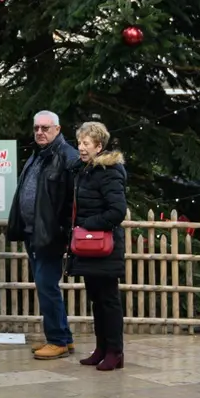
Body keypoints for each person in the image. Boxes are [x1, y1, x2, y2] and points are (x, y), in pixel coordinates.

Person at [6, 110, 79, 360]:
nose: (40, 132)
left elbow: (73, 199)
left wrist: (63, 229)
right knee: (46, 286)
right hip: (33, 232)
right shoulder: (37, 156)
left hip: (51, 235)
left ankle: (57, 340)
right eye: (37, 128)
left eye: (45, 128)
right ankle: (64, 338)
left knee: (47, 286)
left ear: (57, 129)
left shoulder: (67, 157)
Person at [66, 122, 127, 371]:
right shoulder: (84, 171)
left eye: (86, 143)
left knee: (109, 300)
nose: (81, 148)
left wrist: (87, 225)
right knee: (96, 299)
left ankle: (115, 351)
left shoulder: (109, 172)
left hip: (105, 246)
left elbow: (117, 211)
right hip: (88, 247)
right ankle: (101, 348)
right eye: (79, 143)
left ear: (99, 146)